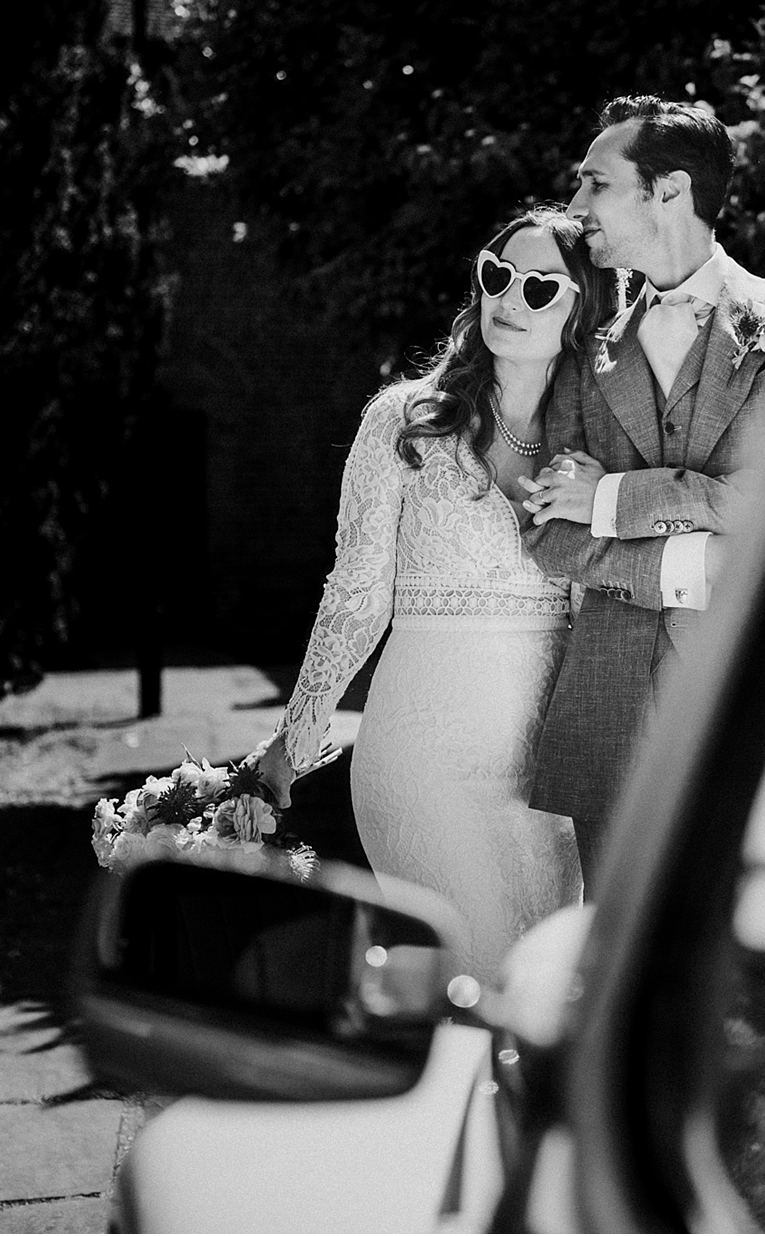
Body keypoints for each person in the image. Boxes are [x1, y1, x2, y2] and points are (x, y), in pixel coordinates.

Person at [254, 207, 617, 979]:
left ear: (582, 308)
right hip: (421, 757)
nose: (510, 298)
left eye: (540, 287)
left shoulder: (599, 447)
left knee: (540, 987)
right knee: (479, 972)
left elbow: (605, 612)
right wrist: (298, 733)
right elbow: (356, 593)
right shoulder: (405, 421)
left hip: (545, 778)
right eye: (497, 275)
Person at [520, 96, 765, 883]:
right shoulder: (584, 352)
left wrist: (612, 499)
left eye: (594, 183)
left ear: (667, 191)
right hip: (612, 703)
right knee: (620, 957)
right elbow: (548, 529)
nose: (575, 210)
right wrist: (702, 564)